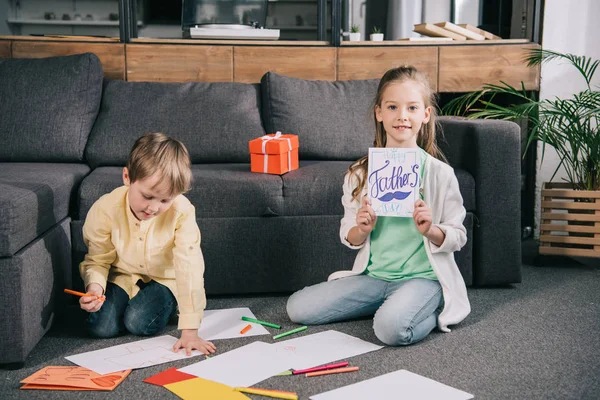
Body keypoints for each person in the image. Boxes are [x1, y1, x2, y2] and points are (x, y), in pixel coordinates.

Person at [286, 66, 470, 346]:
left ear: (425, 115)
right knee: (297, 308)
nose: (402, 116)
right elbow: (348, 234)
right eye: (393, 107)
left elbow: (458, 235)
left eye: (411, 108)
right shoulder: (360, 174)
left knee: (390, 331)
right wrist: (362, 228)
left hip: (423, 278)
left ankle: (429, 309)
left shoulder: (440, 174)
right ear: (379, 113)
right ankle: (395, 305)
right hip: (374, 277)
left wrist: (432, 230)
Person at [78, 132, 216, 355]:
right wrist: (95, 287)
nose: (153, 208)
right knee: (101, 327)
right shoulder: (104, 209)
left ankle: (169, 304)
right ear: (127, 177)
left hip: (165, 278)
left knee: (138, 322)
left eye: (164, 200)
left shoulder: (182, 211)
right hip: (123, 275)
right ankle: (132, 304)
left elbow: (189, 267)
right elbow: (97, 259)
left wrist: (190, 330)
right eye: (147, 196)